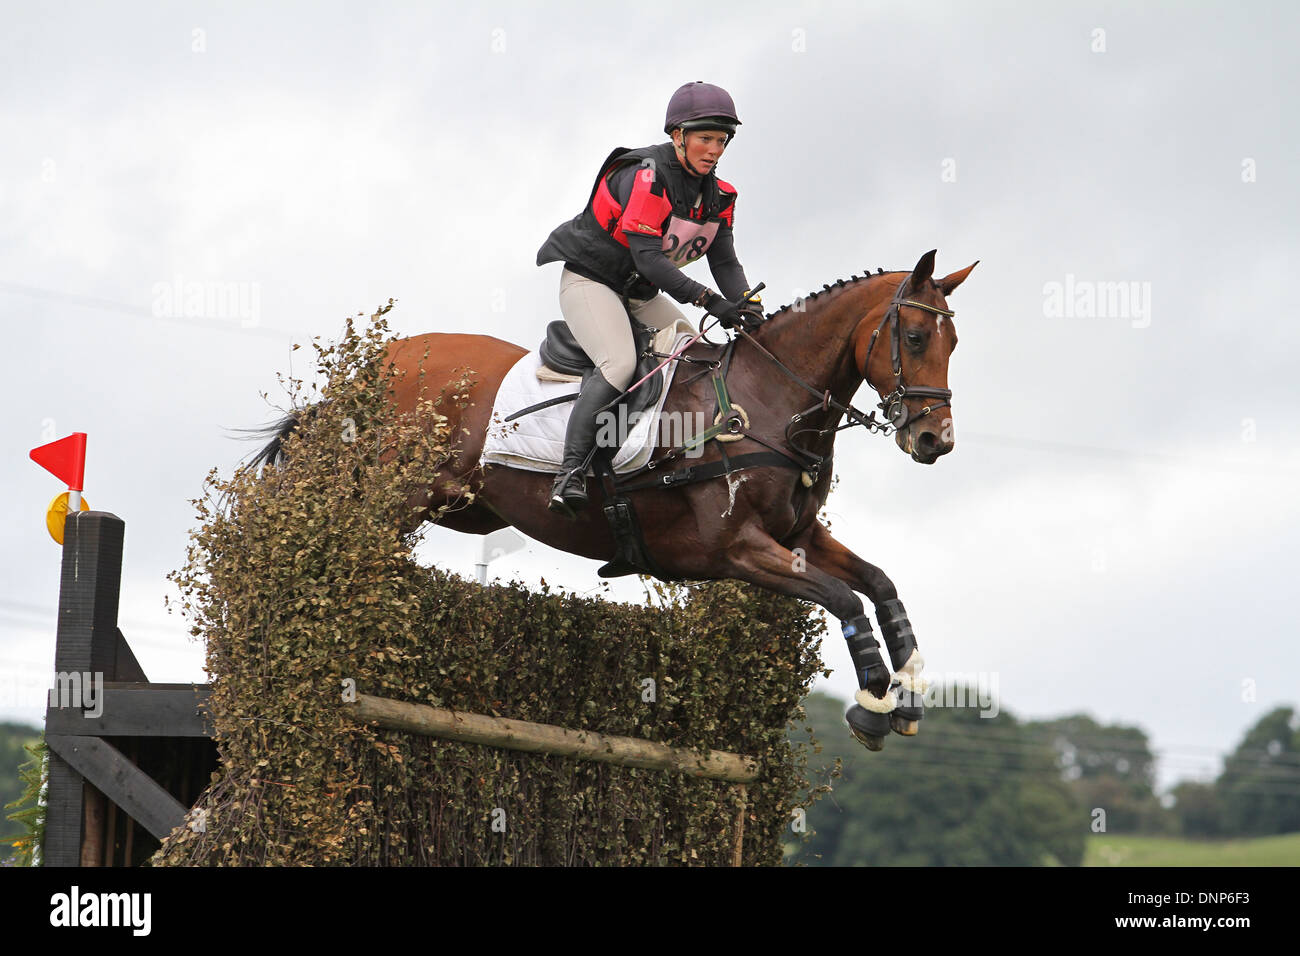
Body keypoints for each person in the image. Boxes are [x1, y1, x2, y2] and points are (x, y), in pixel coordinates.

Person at [536, 81, 764, 519]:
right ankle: (570, 473)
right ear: (678, 136)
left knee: (695, 352)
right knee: (619, 364)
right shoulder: (646, 176)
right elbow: (649, 257)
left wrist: (749, 308)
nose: (714, 150)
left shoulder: (719, 195)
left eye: (721, 141)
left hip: (638, 293)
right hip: (591, 282)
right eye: (705, 139)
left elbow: (726, 263)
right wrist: (707, 300)